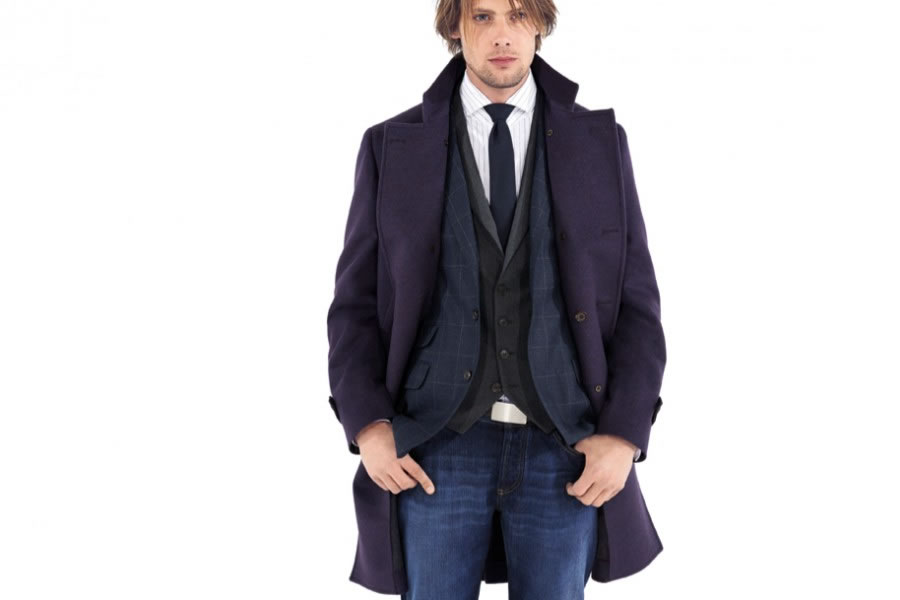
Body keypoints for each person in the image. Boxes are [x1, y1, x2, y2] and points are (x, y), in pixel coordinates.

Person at [326, 0, 666, 597]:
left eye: (517, 15)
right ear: (455, 27)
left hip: (564, 445)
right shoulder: (391, 145)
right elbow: (354, 305)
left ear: (540, 24)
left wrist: (624, 434)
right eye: (483, 17)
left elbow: (636, 303)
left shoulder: (599, 143)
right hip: (435, 447)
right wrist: (369, 426)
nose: (502, 35)